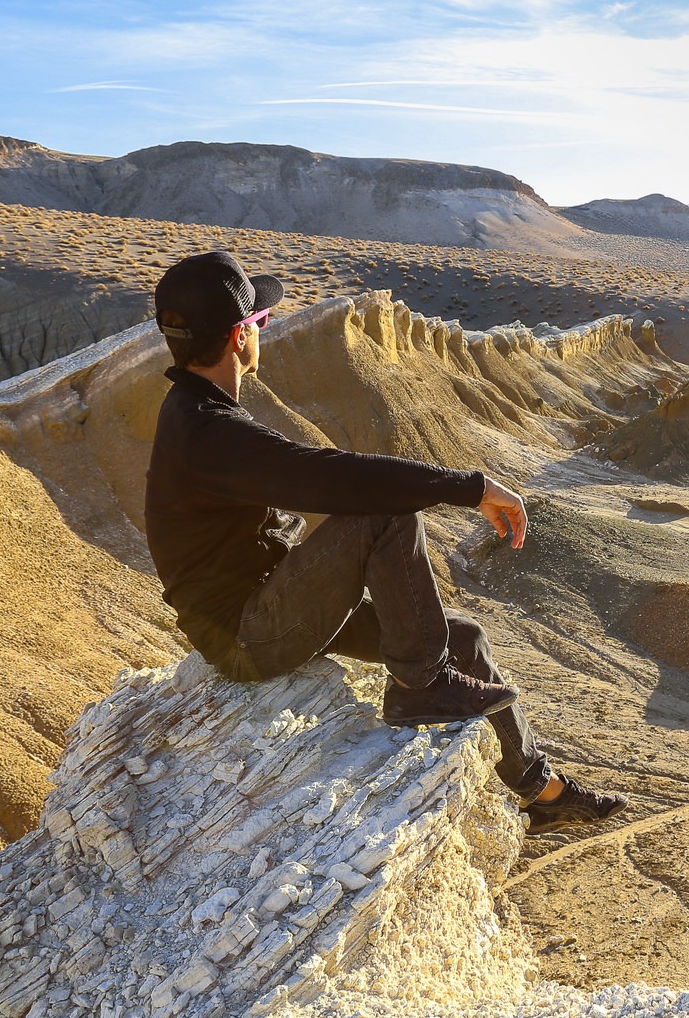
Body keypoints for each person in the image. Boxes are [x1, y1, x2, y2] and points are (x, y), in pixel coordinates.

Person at [142, 250, 626, 834]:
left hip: (272, 606)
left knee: (463, 639)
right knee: (382, 515)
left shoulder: (199, 415)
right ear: (241, 334)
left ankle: (539, 789)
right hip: (248, 636)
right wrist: (470, 488)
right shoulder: (208, 433)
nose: (263, 331)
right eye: (261, 321)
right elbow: (337, 479)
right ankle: (419, 688)